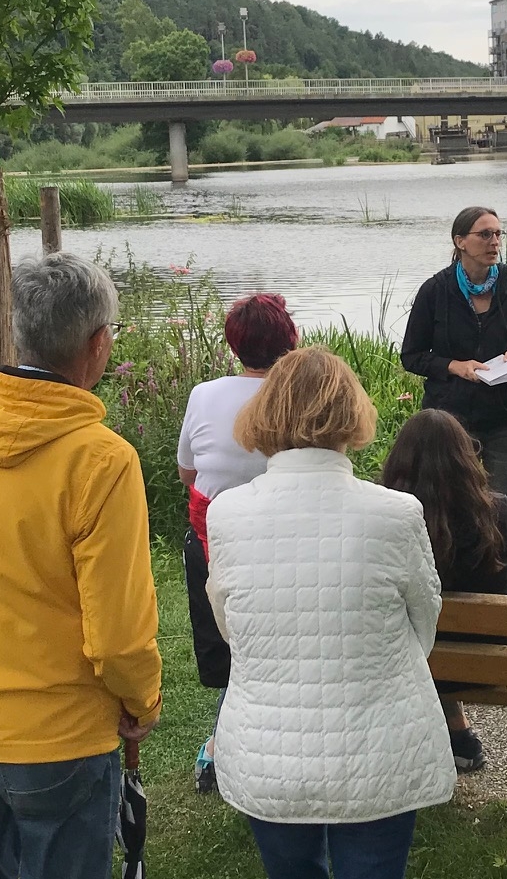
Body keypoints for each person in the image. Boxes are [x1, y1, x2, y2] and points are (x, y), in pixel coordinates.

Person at [206, 347, 455, 878]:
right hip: (380, 751)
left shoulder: (226, 514)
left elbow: (230, 623)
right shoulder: (397, 513)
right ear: (351, 415)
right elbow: (424, 624)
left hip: (267, 753)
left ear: (265, 414)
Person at [0, 252, 162, 879]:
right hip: (60, 737)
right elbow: (118, 632)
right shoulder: (100, 460)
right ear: (98, 344)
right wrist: (142, 702)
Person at [177, 293, 298, 794]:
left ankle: (222, 741)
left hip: (215, 548)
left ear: (234, 344)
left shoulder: (204, 394)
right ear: (290, 340)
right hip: (286, 542)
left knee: (234, 653)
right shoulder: (302, 394)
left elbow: (188, 471)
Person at [401, 206, 507, 596]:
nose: (494, 241)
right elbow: (412, 356)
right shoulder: (436, 290)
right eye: (485, 234)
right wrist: (454, 366)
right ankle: (453, 604)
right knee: (448, 514)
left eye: (499, 234)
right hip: (454, 425)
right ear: (460, 241)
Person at [381, 408, 507, 775]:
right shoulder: (498, 511)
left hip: (412, 654)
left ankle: (452, 735)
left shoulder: (387, 516)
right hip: (488, 658)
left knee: (414, 627)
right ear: (466, 457)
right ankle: (459, 736)